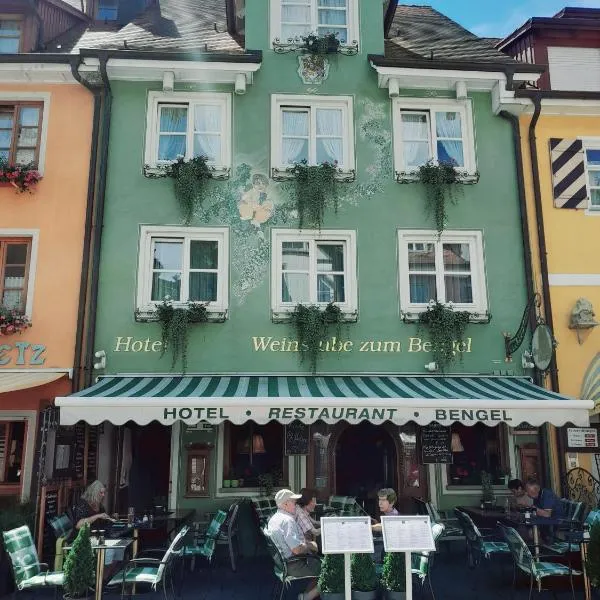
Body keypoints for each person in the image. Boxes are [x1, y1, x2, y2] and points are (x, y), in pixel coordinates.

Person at [267, 489, 321, 600]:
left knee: (318, 562)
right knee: (328, 569)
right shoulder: (287, 521)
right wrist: (311, 545)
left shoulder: (273, 519)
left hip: (281, 564)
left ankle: (307, 594)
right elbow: (296, 549)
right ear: (285, 504)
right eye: (294, 502)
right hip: (294, 564)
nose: (296, 505)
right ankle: (307, 597)